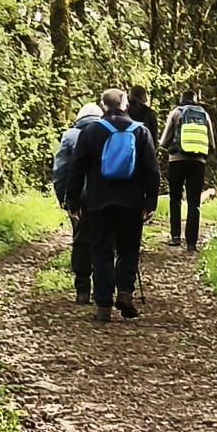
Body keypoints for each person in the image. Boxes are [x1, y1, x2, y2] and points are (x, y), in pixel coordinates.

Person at [67, 87, 160, 323]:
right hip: (132, 201)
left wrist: (73, 199)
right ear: (125, 104)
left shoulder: (91, 131)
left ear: (102, 105)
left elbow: (77, 167)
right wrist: (151, 201)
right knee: (129, 248)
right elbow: (152, 169)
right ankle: (125, 292)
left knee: (101, 250)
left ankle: (103, 306)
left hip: (99, 201)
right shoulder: (141, 131)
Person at [52, 101, 103, 305]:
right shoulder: (106, 134)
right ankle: (103, 289)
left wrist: (62, 197)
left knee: (81, 240)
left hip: (79, 198)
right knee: (104, 241)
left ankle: (82, 288)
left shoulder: (69, 136)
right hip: (105, 196)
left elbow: (60, 169)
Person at [159, 87, 214, 250]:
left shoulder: (176, 113)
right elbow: (211, 142)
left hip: (177, 160)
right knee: (194, 202)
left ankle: (175, 236)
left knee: (175, 198)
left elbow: (164, 141)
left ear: (181, 99)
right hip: (198, 162)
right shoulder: (205, 114)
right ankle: (191, 242)